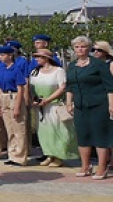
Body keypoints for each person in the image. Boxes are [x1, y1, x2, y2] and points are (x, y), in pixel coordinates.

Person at [65, 35, 113, 179]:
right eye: (77, 47)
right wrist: (69, 102)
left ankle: (102, 167)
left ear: (89, 48)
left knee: (100, 136)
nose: (80, 49)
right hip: (80, 105)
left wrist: (111, 104)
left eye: (83, 46)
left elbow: (109, 86)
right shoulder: (72, 65)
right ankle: (85, 166)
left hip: (99, 104)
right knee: (83, 135)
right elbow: (69, 86)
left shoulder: (98, 64)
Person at [30, 48, 76, 168]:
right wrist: (33, 99)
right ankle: (49, 153)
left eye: (39, 57)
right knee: (44, 132)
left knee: (57, 130)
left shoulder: (58, 71)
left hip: (53, 105)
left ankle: (59, 155)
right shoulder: (35, 71)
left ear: (47, 58)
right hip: (39, 106)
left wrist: (48, 99)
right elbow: (31, 87)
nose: (37, 59)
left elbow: (62, 87)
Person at [0, 45, 29, 167]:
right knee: (10, 129)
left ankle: (20, 156)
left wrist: (18, 106)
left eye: (3, 55)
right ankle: (12, 154)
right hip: (4, 96)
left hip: (14, 96)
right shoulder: (2, 69)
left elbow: (20, 89)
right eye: (0, 55)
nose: (1, 57)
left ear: (10, 56)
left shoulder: (16, 69)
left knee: (18, 128)